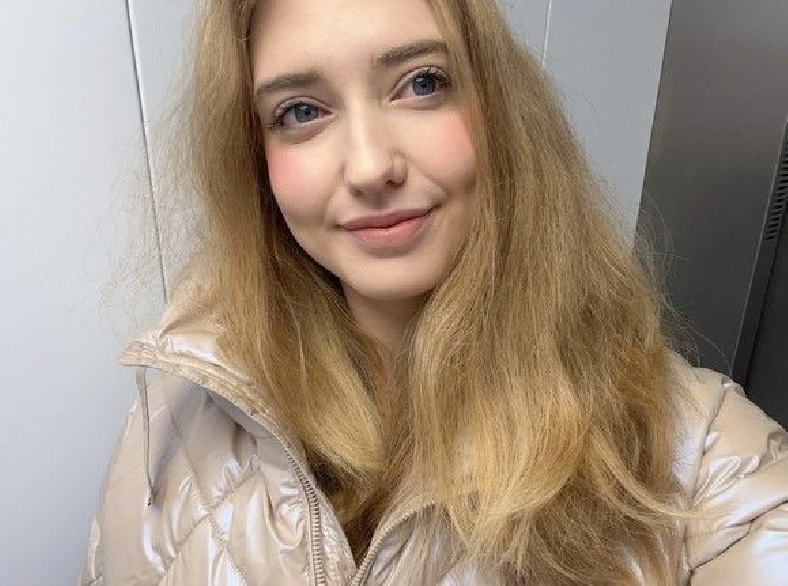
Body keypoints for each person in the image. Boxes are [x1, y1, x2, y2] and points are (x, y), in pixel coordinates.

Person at [80, 0, 788, 584]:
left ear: (500, 109)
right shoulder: (171, 421)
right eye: (300, 112)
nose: (369, 166)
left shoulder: (706, 458)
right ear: (254, 158)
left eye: (421, 83)